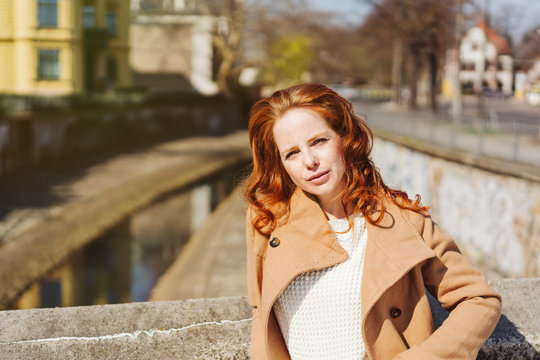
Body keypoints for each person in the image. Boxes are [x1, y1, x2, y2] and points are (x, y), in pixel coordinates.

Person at [244, 83, 501, 360]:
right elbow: (261, 313)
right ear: (281, 163)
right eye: (292, 153)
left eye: (319, 141)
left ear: (344, 137)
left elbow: (479, 300)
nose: (309, 161)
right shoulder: (266, 219)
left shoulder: (403, 220)